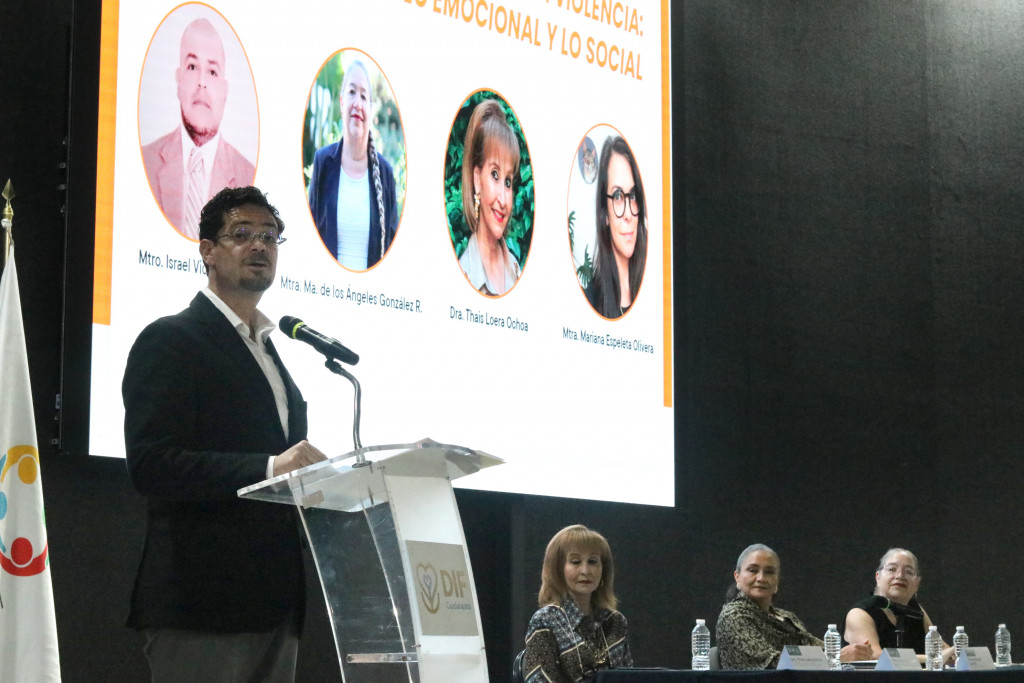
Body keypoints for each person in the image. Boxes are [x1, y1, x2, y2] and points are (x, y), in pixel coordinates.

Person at [123, 186, 328, 682]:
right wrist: (268, 468)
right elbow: (152, 464)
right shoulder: (171, 340)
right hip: (203, 606)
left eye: (270, 236)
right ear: (207, 251)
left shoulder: (270, 350)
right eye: (241, 234)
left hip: (276, 605)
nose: (259, 246)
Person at [142, 18, 256, 240]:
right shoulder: (147, 160)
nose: (202, 82)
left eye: (212, 72)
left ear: (225, 91)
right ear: (178, 80)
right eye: (192, 67)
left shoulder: (247, 176)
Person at [716, 544, 872, 669]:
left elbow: (814, 650)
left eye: (769, 572)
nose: (761, 578)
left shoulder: (787, 617)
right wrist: (837, 657)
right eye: (752, 570)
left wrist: (854, 652)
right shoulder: (734, 616)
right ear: (737, 577)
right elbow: (773, 664)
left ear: (777, 580)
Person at [307, 59, 398, 270]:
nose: (357, 102)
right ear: (341, 101)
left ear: (371, 108)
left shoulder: (385, 174)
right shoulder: (323, 163)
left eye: (364, 96)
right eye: (351, 92)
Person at [522, 524, 632, 682]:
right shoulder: (545, 620)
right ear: (557, 569)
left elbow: (629, 678)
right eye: (575, 561)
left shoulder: (615, 621)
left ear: (603, 569)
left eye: (593, 561)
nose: (585, 571)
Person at [844, 548, 955, 664]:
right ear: (878, 577)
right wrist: (933, 659)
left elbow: (941, 648)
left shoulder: (915, 610)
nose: (900, 576)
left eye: (908, 572)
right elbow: (875, 656)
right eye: (892, 569)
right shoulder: (860, 613)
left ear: (917, 583)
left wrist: (954, 654)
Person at [457, 98, 522, 296]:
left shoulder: (516, 270)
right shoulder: (464, 273)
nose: (503, 200)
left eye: (508, 182)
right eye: (495, 175)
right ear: (477, 179)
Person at [585, 136, 648, 319]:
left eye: (634, 195)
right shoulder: (591, 300)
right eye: (618, 196)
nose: (628, 214)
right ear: (604, 214)